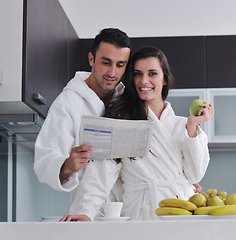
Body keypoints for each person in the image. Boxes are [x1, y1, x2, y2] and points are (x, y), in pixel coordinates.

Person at [60, 46, 214, 221]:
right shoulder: (122, 122)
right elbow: (101, 172)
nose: (144, 81)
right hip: (140, 212)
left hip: (181, 212)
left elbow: (195, 175)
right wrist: (84, 211)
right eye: (138, 74)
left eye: (152, 74)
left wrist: (192, 127)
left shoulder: (183, 125)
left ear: (164, 79)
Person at [33, 28, 131, 199]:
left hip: (129, 208)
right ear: (91, 59)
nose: (112, 73)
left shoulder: (128, 100)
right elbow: (44, 160)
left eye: (120, 65)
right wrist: (68, 166)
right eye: (106, 62)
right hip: (89, 211)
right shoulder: (67, 104)